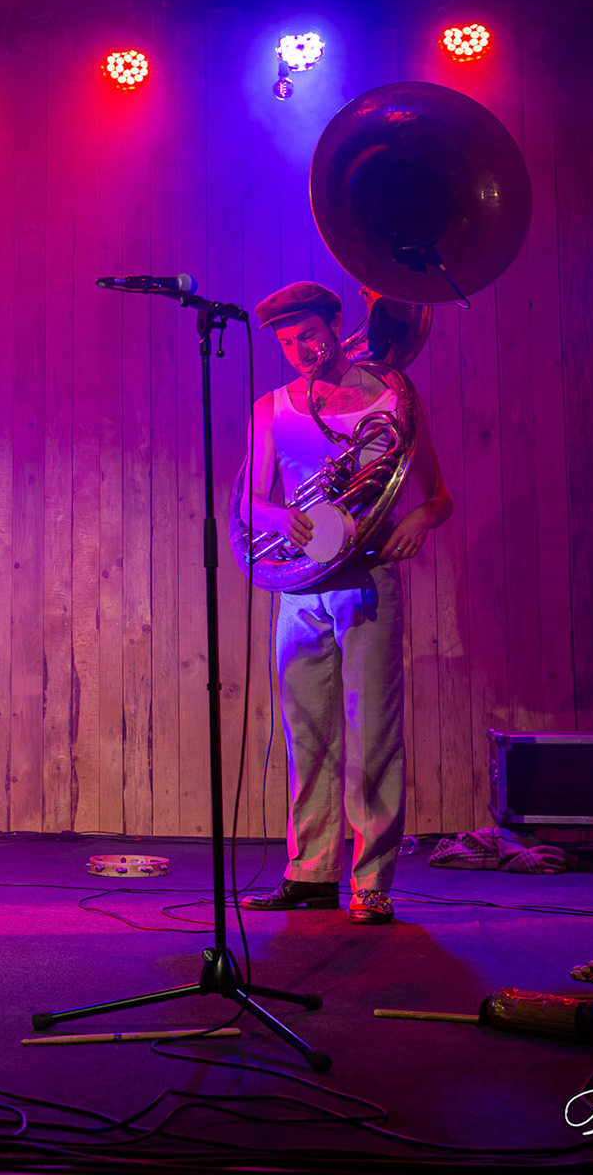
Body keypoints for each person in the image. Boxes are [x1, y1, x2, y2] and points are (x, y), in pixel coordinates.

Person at [239, 282, 453, 924]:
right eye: (285, 341)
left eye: (307, 334)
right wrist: (282, 516)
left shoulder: (393, 397)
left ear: (337, 325)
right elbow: (246, 503)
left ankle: (372, 883)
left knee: (374, 735)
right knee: (308, 737)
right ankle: (309, 873)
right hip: (302, 584)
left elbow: (439, 495)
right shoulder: (270, 407)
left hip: (369, 576)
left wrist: (421, 519)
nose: (298, 350)